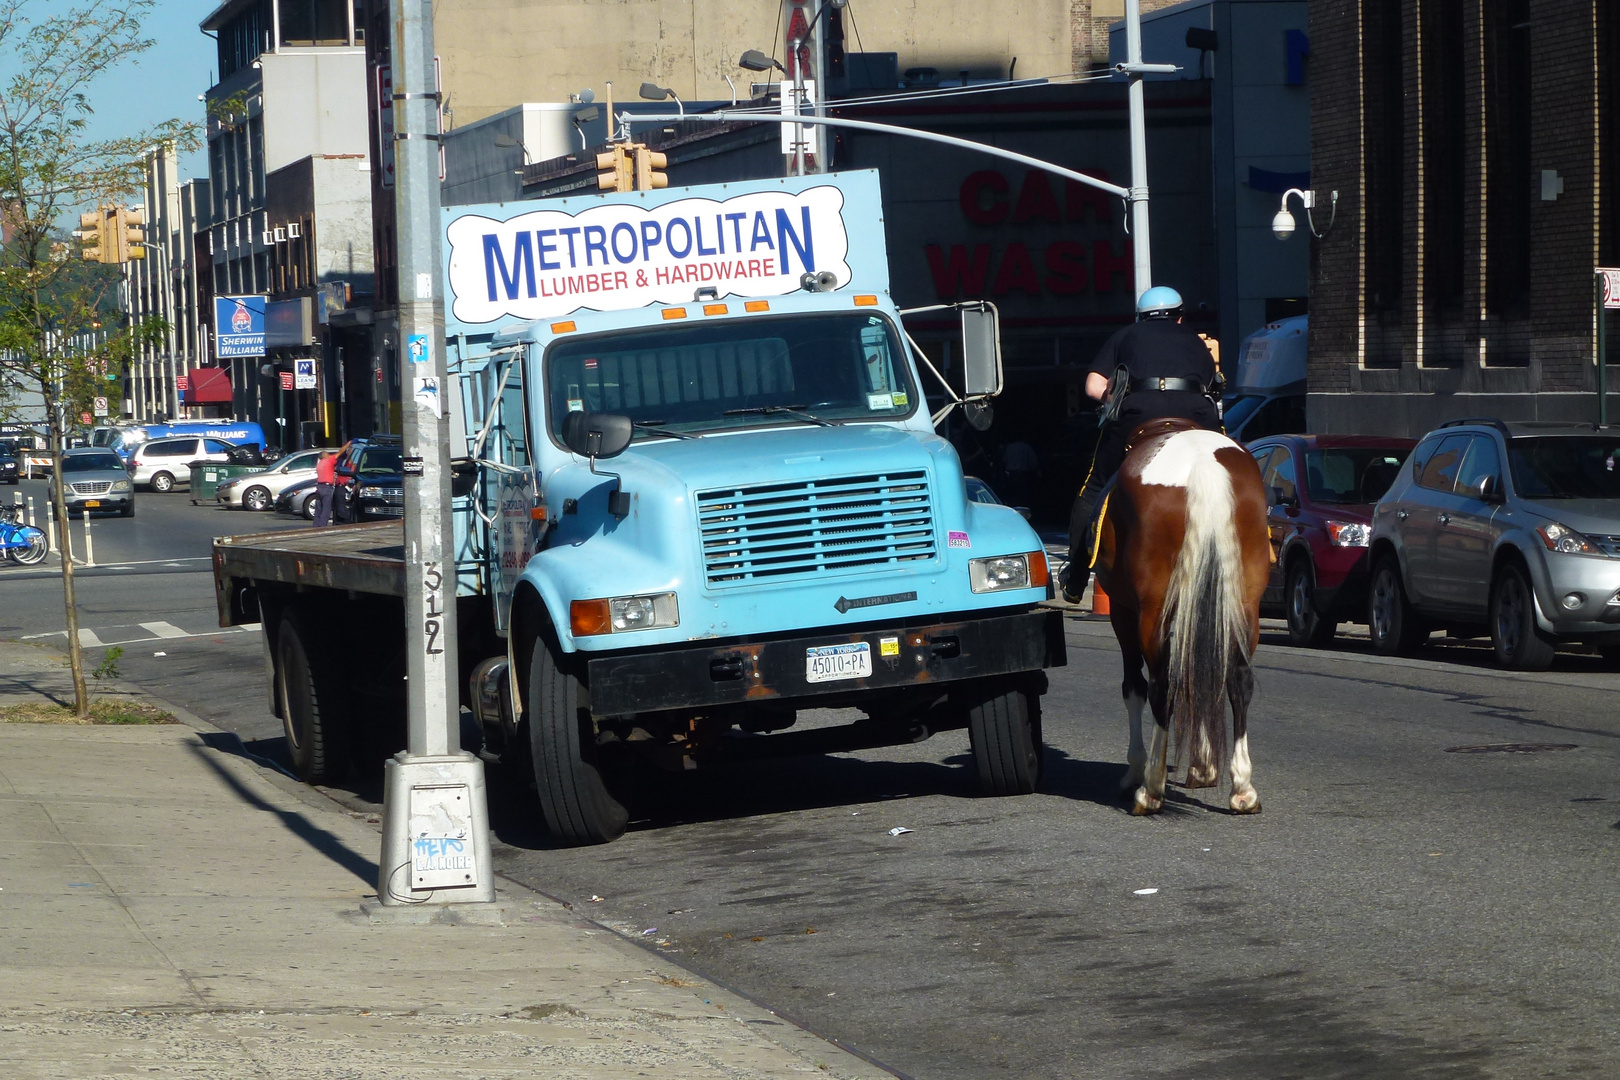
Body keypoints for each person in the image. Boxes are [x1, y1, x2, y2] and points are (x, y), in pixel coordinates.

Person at [1061, 286, 1223, 600]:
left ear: (1141, 317)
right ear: (1179, 317)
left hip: (1139, 412)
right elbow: (1214, 385)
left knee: (1095, 485)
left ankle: (1076, 576)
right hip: (1196, 411)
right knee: (1227, 474)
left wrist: (1115, 396)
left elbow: (1093, 387)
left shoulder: (1124, 336)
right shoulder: (1196, 341)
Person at [312, 447, 341, 528]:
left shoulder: (319, 464)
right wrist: (349, 443)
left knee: (318, 509)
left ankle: (316, 525)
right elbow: (340, 453)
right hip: (327, 487)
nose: (329, 455)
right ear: (325, 456)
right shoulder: (328, 460)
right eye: (328, 454)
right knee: (326, 508)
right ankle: (322, 526)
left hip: (319, 487)